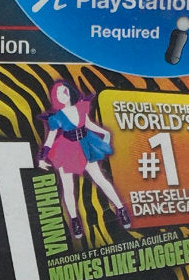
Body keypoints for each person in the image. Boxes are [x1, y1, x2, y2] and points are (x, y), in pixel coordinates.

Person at [37, 80, 130, 239]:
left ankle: (121, 210)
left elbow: (88, 124)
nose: (62, 95)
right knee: (68, 188)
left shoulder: (81, 107)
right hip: (65, 150)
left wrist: (105, 132)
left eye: (64, 91)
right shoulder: (56, 117)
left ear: (70, 92)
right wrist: (41, 157)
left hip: (85, 145)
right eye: (58, 93)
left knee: (101, 179)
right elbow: (50, 139)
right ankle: (75, 221)